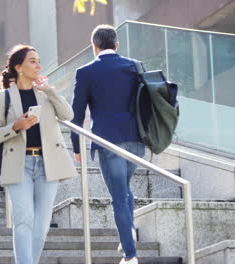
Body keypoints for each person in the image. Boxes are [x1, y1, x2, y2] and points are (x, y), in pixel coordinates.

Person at [0, 44, 76, 264]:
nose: (38, 65)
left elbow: (68, 115)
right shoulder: (3, 97)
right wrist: (16, 126)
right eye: (32, 61)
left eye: (38, 60)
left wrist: (51, 90)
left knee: (41, 227)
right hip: (19, 163)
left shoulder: (45, 94)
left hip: (48, 165)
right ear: (19, 67)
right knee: (23, 218)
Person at [71, 25, 145, 264]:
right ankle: (129, 230)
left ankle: (130, 255)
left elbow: (77, 114)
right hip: (136, 141)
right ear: (117, 44)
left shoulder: (86, 72)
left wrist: (76, 146)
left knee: (119, 197)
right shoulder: (134, 66)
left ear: (94, 46)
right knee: (123, 188)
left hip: (108, 141)